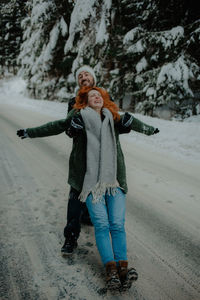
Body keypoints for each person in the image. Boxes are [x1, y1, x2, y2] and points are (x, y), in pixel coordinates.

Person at [17, 85, 159, 291]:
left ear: (104, 99)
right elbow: (55, 126)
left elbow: (133, 122)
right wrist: (30, 132)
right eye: (92, 95)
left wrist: (149, 129)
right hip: (91, 182)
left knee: (117, 224)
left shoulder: (112, 117)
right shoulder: (79, 117)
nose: (97, 97)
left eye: (99, 95)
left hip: (114, 181)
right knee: (102, 225)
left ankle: (123, 268)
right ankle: (110, 269)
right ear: (85, 101)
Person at [17, 65, 132, 257]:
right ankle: (71, 237)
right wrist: (73, 128)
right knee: (75, 199)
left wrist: (124, 126)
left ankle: (103, 235)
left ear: (94, 79)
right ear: (78, 82)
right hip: (82, 162)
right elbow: (65, 127)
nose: (83, 77)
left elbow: (115, 123)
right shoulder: (74, 102)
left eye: (86, 74)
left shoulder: (104, 97)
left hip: (104, 162)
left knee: (105, 198)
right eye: (80, 76)